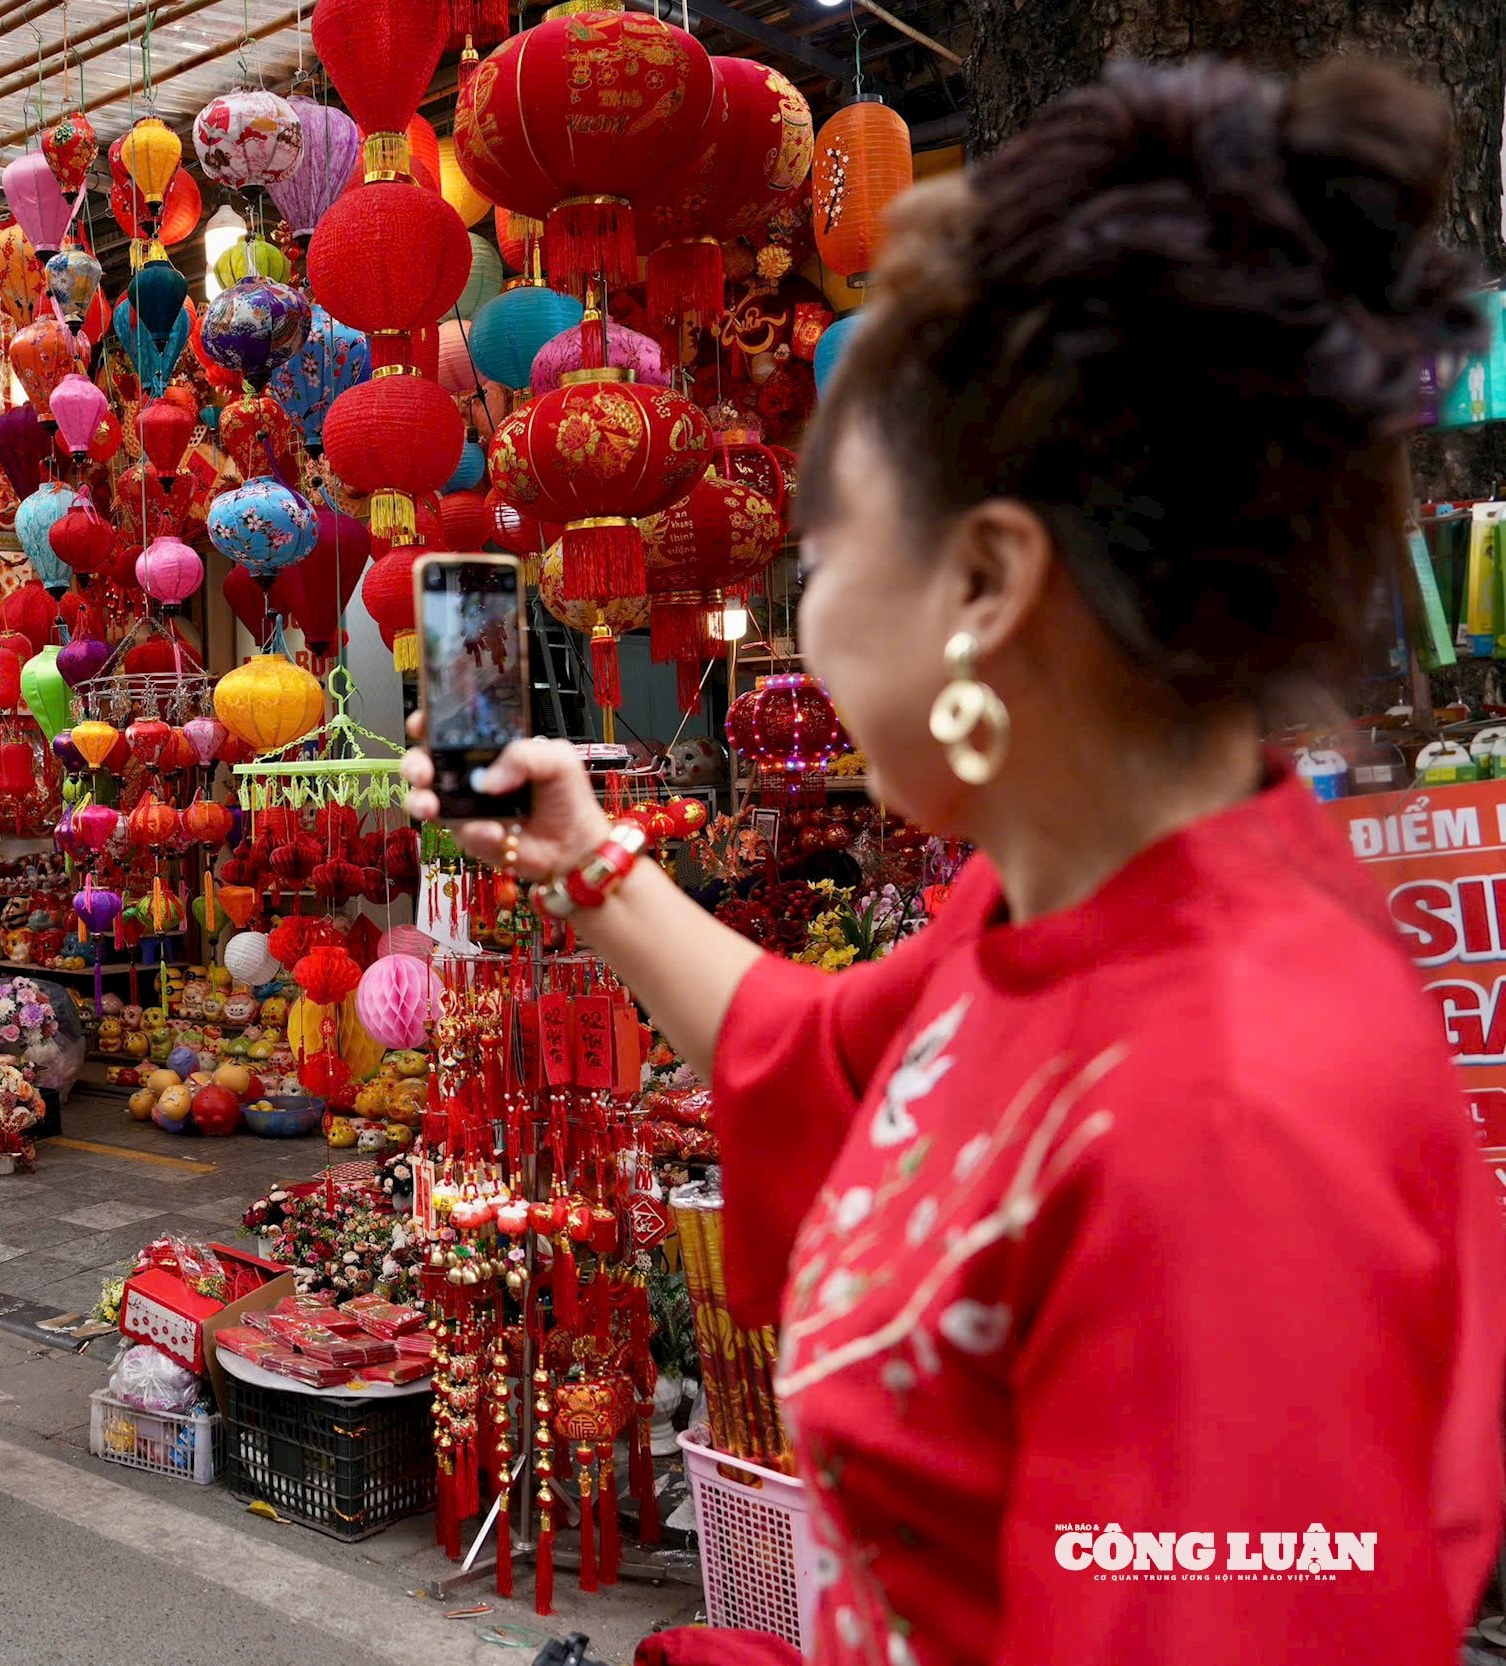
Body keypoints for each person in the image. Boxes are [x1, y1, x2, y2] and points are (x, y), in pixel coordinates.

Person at [406, 59, 1505, 1666]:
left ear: (987, 580)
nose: (806, 620)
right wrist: (581, 852)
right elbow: (813, 1046)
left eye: (827, 552)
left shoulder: (1234, 1118)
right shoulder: (1064, 907)